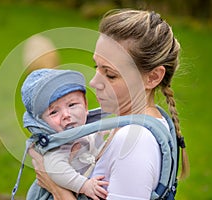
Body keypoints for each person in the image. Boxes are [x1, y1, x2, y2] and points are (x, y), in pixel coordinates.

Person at [28, 9, 190, 199]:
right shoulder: (128, 124)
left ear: (153, 77)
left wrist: (56, 188)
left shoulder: (134, 143)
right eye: (97, 67)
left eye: (110, 74)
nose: (94, 83)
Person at [21, 68, 109, 200]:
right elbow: (56, 169)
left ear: (85, 106)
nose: (66, 115)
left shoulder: (85, 130)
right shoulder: (57, 145)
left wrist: (100, 137)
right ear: (42, 123)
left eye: (72, 105)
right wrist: (84, 185)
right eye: (53, 112)